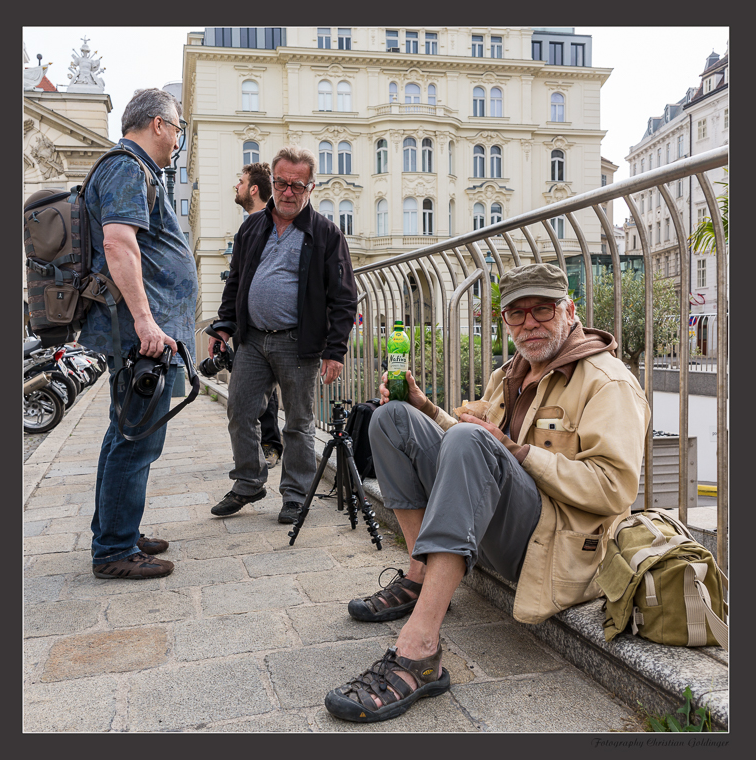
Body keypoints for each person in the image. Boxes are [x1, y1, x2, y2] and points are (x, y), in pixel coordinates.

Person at [324, 262, 651, 722]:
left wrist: (518, 452)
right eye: (517, 314)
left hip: (553, 546)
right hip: (502, 524)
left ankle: (420, 652)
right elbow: (472, 447)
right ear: (504, 321)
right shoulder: (510, 373)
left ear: (570, 310)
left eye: (543, 310)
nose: (529, 323)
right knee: (390, 418)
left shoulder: (607, 381)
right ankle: (421, 577)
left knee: (472, 438)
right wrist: (424, 407)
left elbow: (614, 489)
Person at [79, 88, 197, 580]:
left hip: (138, 333)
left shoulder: (132, 168)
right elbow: (118, 243)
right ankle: (114, 551)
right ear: (157, 125)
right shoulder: (128, 166)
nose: (177, 140)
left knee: (123, 432)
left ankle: (116, 529)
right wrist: (148, 322)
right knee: (136, 438)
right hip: (141, 336)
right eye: (177, 129)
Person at [209, 145, 357, 525]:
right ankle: (248, 482)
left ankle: (294, 494)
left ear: (310, 187)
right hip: (253, 340)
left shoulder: (325, 233)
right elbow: (237, 281)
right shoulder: (252, 227)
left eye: (297, 185)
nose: (287, 192)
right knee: (240, 411)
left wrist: (335, 351)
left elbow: (343, 298)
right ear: (271, 182)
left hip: (297, 342)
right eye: (281, 183)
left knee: (298, 422)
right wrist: (224, 326)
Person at [209, 162, 284, 470]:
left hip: (273, 326)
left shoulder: (277, 224)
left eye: (240, 182)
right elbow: (237, 280)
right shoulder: (246, 229)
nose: (236, 187)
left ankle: (270, 445)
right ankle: (256, 457)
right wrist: (223, 327)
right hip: (247, 324)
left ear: (254, 188)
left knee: (268, 391)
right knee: (250, 392)